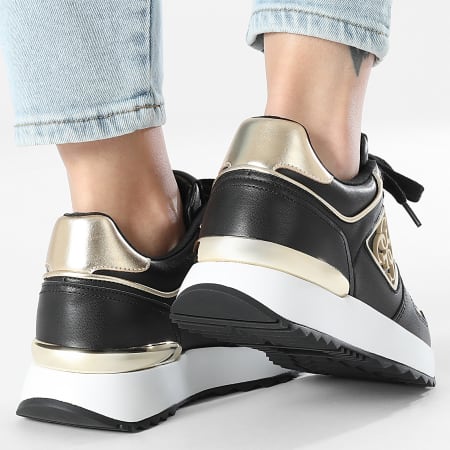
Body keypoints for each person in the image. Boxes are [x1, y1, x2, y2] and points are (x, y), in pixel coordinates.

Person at [1, 0, 434, 432]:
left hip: (75, 298)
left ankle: (122, 239)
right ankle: (312, 172)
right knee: (314, 137)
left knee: (119, 201)